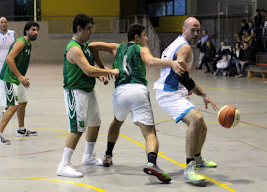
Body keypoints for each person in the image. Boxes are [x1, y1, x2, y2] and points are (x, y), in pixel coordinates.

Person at [88, 23, 185, 183]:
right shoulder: (142, 49)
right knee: (149, 133)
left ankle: (108, 155)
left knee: (116, 122)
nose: (146, 38)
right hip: (137, 90)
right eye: (144, 35)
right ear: (137, 37)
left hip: (120, 92)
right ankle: (152, 163)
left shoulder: (116, 47)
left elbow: (92, 46)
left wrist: (102, 66)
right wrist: (171, 63)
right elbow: (151, 62)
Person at [153, 17, 219, 183]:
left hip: (174, 90)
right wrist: (202, 94)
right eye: (192, 30)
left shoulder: (177, 42)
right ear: (184, 29)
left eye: (198, 30)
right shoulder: (185, 48)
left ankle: (197, 158)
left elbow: (180, 77)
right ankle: (189, 168)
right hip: (169, 94)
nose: (196, 33)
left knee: (202, 127)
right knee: (196, 119)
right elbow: (183, 78)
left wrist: (190, 90)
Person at [57, 14, 120, 178]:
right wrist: (110, 71)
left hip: (88, 90)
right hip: (75, 91)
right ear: (79, 29)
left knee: (95, 123)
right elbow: (88, 69)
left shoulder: (84, 46)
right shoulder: (74, 48)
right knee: (77, 128)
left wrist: (99, 74)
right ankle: (63, 165)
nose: (91, 32)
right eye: (89, 29)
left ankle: (88, 156)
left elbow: (90, 67)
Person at [0, 21, 39, 145]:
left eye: (37, 30)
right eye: (33, 30)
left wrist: (21, 77)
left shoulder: (29, 44)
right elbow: (9, 59)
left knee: (23, 103)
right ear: (26, 31)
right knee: (12, 106)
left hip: (18, 78)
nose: (36, 32)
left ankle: (21, 129)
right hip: (9, 78)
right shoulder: (21, 43)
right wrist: (20, 76)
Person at [0, 17, 18, 114]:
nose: (4, 24)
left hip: (13, 62)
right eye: (2, 22)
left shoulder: (13, 33)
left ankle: (15, 103)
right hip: (2, 63)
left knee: (14, 82)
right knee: (3, 84)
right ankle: (6, 105)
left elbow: (19, 47)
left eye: (5, 22)